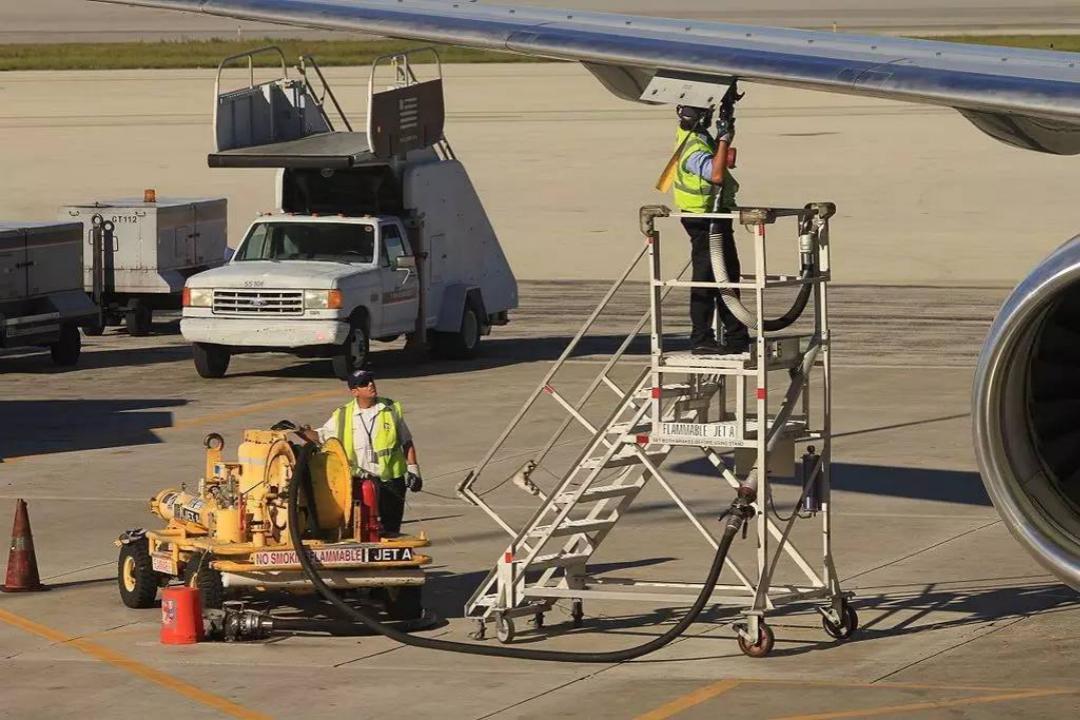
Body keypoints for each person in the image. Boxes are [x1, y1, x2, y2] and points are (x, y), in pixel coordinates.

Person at [297, 369, 422, 535]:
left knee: (391, 532)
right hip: (359, 483)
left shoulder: (390, 409)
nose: (370, 384)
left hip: (391, 483)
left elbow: (406, 441)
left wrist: (414, 471)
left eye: (371, 380)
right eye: (364, 383)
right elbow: (320, 436)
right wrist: (298, 431)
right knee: (364, 530)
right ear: (354, 392)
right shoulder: (342, 415)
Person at [672, 102, 750, 355]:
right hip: (703, 219)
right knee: (708, 278)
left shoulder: (694, 136)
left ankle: (737, 336)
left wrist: (721, 145)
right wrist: (725, 139)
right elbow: (715, 175)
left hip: (713, 215)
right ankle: (702, 338)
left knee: (726, 275)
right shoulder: (694, 146)